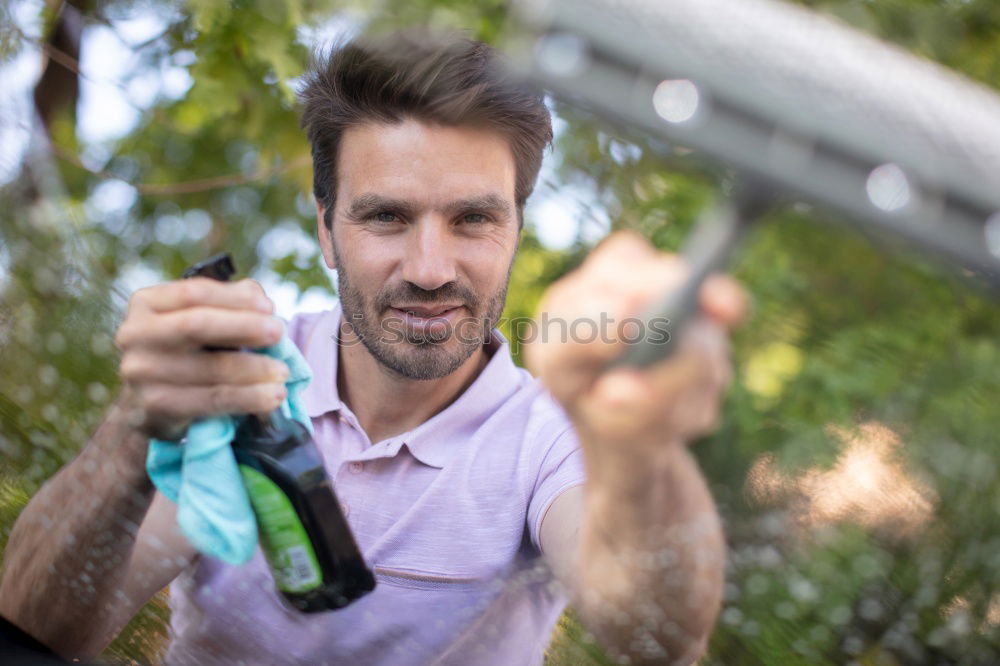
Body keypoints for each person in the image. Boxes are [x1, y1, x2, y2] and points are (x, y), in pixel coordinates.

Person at [0, 32, 745, 665]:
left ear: (516, 227)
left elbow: (656, 639)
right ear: (326, 228)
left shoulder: (550, 433)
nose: (429, 269)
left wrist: (639, 449)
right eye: (386, 217)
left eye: (472, 220)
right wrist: (130, 435)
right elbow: (37, 630)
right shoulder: (231, 382)